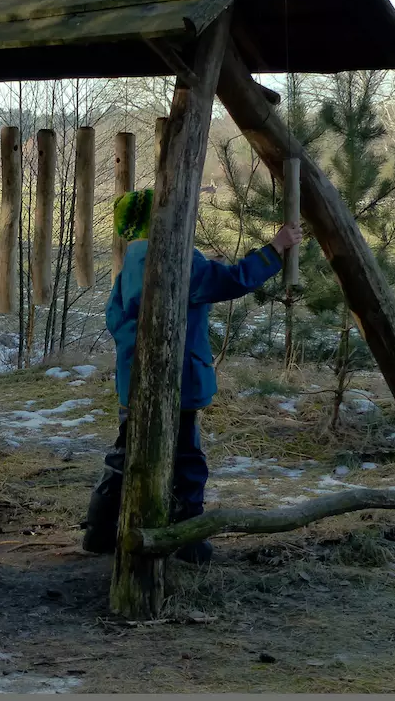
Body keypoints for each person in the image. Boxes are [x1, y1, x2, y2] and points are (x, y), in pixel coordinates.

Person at [82, 188, 302, 564]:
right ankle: (188, 539)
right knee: (187, 461)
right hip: (176, 381)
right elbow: (232, 281)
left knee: (124, 452)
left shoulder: (134, 257)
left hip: (133, 381)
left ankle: (99, 531)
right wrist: (275, 249)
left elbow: (114, 316)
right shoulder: (172, 257)